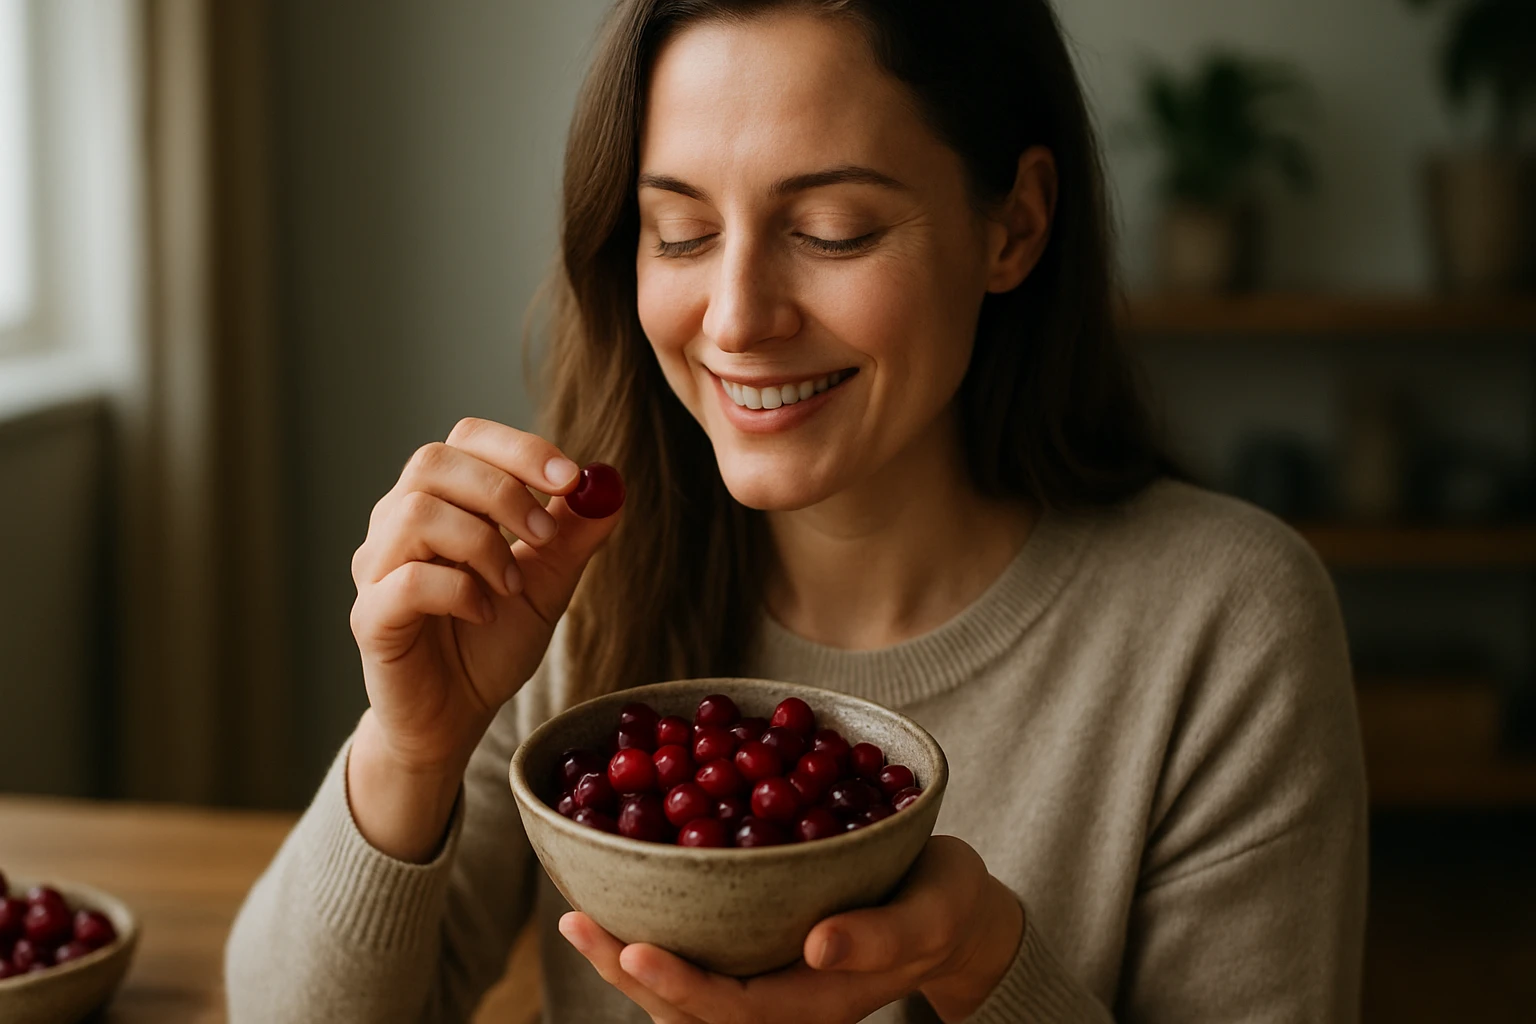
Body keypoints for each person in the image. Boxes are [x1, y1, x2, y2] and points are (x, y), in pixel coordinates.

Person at [225, 1, 1367, 1021]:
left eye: (832, 231)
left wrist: (981, 968)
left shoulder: (1226, 622)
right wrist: (409, 748)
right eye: (679, 232)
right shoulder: (565, 584)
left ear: (1013, 225)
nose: (735, 319)